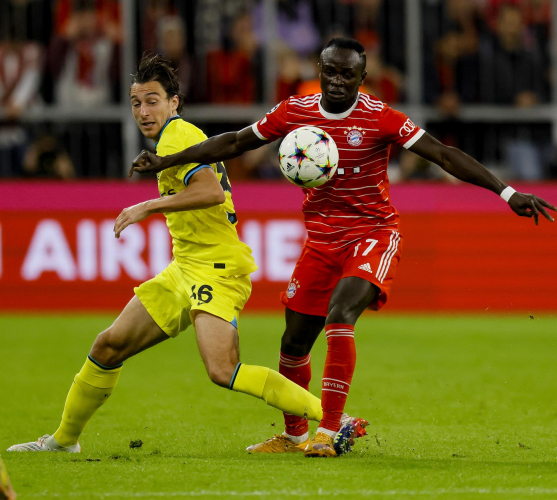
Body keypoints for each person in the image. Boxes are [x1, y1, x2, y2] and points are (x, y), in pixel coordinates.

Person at [129, 38, 556, 458]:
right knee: (293, 342)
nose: (336, 81)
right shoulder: (296, 112)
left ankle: (331, 430)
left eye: (346, 74)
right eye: (329, 71)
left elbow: (443, 154)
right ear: (319, 71)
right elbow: (238, 141)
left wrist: (507, 193)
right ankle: (295, 436)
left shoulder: (381, 118)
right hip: (321, 241)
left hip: (373, 234)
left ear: (361, 78)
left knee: (340, 314)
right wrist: (167, 161)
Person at [7, 54, 365, 455]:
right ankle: (63, 441)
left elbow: (210, 190)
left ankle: (336, 419)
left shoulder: (177, 135)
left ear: (174, 102)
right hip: (185, 269)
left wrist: (146, 206)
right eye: (136, 102)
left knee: (222, 369)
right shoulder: (171, 139)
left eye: (153, 100)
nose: (143, 111)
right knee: (108, 346)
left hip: (216, 268)